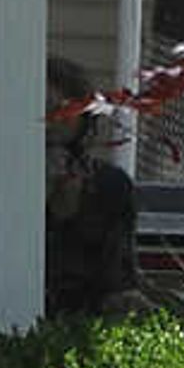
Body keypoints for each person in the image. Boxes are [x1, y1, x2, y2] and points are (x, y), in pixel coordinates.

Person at [43, 56, 141, 320]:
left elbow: (119, 276)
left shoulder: (109, 185)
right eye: (45, 110)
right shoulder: (0, 185)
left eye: (63, 111)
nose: (54, 121)